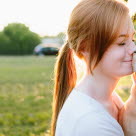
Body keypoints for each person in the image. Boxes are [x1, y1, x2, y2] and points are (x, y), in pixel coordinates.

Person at [50, 0, 136, 135]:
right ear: (86, 47)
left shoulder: (109, 98)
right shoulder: (91, 122)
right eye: (121, 43)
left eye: (132, 39)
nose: (133, 49)